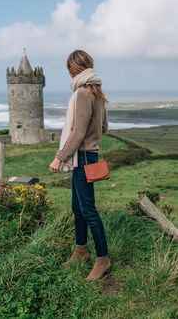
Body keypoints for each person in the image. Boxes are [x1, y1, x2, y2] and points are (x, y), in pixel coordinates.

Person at [49, 49, 111, 282]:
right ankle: (81, 250)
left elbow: (77, 132)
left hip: (82, 157)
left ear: (72, 69)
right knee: (78, 207)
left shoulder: (83, 93)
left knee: (88, 211)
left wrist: (60, 156)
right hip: (87, 156)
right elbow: (104, 127)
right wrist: (93, 138)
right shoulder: (98, 91)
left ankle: (103, 259)